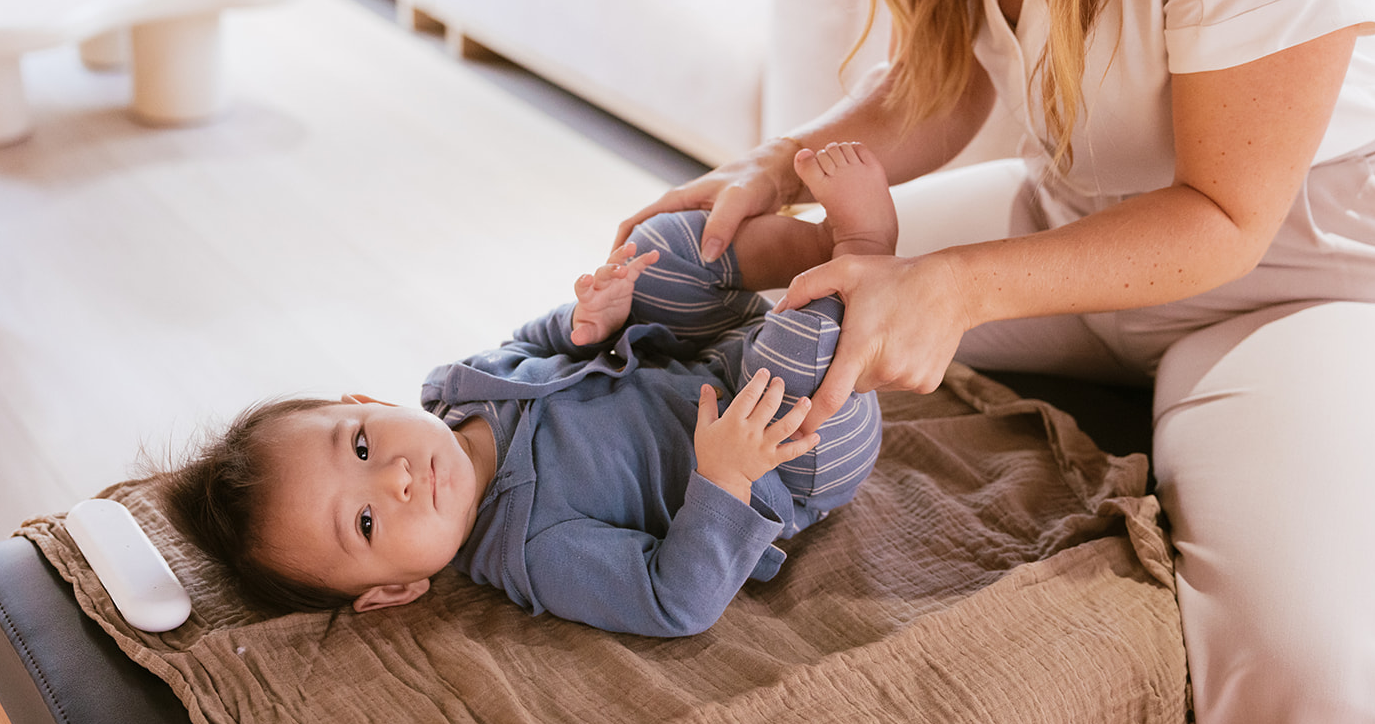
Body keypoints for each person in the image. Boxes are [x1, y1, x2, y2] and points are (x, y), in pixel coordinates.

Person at [617, 0, 1375, 724]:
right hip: (1084, 221)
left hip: (1317, 280)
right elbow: (949, 73)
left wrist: (955, 289)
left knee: (1315, 666)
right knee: (744, 288)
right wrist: (770, 166)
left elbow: (1228, 212)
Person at [159, 145, 891, 637]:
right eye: (368, 524)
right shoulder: (535, 547)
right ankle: (864, 253)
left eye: (361, 446)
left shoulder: (457, 391)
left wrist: (585, 324)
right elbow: (677, 601)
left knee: (658, 248)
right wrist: (726, 479)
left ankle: (819, 249)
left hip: (710, 352)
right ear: (392, 591)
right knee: (805, 357)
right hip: (786, 451)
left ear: (370, 404)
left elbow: (531, 346)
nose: (398, 478)